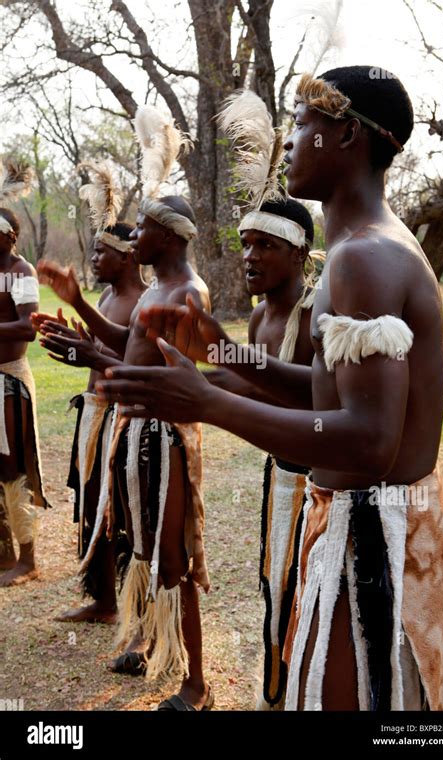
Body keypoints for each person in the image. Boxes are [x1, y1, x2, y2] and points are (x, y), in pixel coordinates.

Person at [96, 67, 443, 711]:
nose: (290, 141)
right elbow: (331, 393)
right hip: (371, 531)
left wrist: (209, 404)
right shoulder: (361, 247)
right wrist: (220, 354)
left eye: (303, 124)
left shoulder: (364, 258)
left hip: (377, 549)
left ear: (347, 134)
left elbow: (369, 442)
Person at [38, 104, 213, 710]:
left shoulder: (188, 293)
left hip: (164, 440)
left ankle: (196, 683)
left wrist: (101, 363)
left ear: (166, 235)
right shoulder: (159, 289)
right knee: (139, 546)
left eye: (140, 230)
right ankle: (147, 645)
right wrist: (81, 320)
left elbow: (171, 378)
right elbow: (126, 346)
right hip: (135, 437)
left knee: (173, 557)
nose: (132, 237)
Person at [206, 197, 317, 709]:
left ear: (299, 254)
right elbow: (244, 381)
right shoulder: (257, 320)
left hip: (320, 490)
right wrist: (188, 382)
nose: (249, 256)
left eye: (265, 246)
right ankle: (279, 695)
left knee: (307, 599)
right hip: (279, 479)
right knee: (277, 589)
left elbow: (317, 398)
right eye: (246, 245)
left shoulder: (317, 316)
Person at [33, 221, 146, 623]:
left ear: (127, 255)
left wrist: (90, 355)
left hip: (124, 420)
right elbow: (95, 349)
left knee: (123, 512)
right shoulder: (106, 299)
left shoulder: (143, 303)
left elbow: (139, 370)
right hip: (94, 413)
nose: (93, 259)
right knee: (91, 505)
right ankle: (103, 601)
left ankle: (136, 608)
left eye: (101, 252)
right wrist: (68, 343)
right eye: (93, 250)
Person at [0, 160, 50, 588]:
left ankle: (28, 557)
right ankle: (2, 552)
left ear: (9, 236)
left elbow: (27, 327)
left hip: (10, 381)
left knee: (14, 465)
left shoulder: (21, 272)